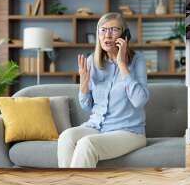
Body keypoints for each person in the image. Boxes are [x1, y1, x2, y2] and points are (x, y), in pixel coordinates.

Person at [57, 12, 149, 168]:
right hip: (96, 127)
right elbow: (87, 106)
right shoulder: (92, 61)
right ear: (98, 35)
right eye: (103, 30)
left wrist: (121, 64)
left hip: (129, 132)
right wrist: (84, 85)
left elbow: (139, 101)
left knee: (87, 144)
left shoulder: (137, 60)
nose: (107, 34)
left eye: (113, 29)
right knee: (66, 137)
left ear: (125, 35)